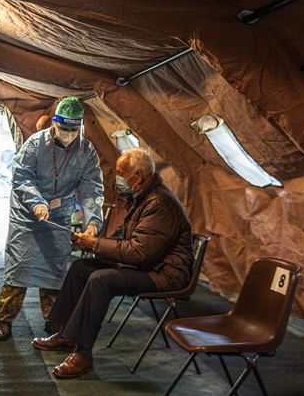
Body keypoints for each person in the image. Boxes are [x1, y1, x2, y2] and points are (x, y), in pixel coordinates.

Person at [32, 147, 193, 379]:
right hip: (148, 266)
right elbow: (132, 245)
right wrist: (89, 243)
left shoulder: (159, 203)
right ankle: (65, 333)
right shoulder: (143, 197)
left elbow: (139, 252)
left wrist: (96, 245)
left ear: (137, 177)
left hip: (164, 274)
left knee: (101, 280)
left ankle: (83, 353)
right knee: (81, 268)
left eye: (120, 174)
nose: (116, 179)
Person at [0, 97, 104, 341]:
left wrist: (93, 222)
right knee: (18, 267)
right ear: (54, 124)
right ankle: (5, 321)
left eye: (73, 130)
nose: (68, 134)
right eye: (64, 129)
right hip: (26, 213)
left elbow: (92, 188)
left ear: (80, 128)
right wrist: (36, 203)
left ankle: (53, 320)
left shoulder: (86, 151)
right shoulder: (35, 145)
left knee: (55, 269)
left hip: (59, 212)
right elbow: (21, 178)